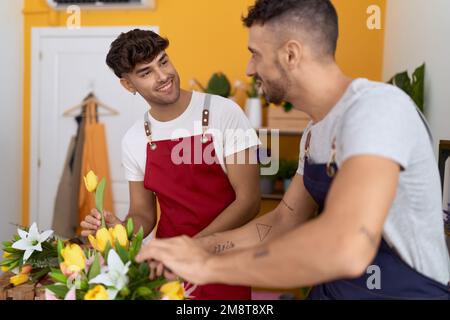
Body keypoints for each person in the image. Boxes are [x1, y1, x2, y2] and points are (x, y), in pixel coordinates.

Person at [135, 0, 450, 299]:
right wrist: (198, 246)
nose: (248, 68)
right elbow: (283, 221)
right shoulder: (315, 131)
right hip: (335, 291)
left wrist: (207, 267)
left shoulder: (378, 109)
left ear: (290, 55)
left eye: (255, 54)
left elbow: (349, 247)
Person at [80, 29, 261, 300]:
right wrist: (121, 230)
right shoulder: (135, 139)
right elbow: (143, 214)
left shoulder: (225, 112)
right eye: (146, 72)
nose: (163, 76)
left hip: (225, 260)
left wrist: (190, 247)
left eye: (163, 61)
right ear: (128, 85)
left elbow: (248, 201)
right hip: (167, 269)